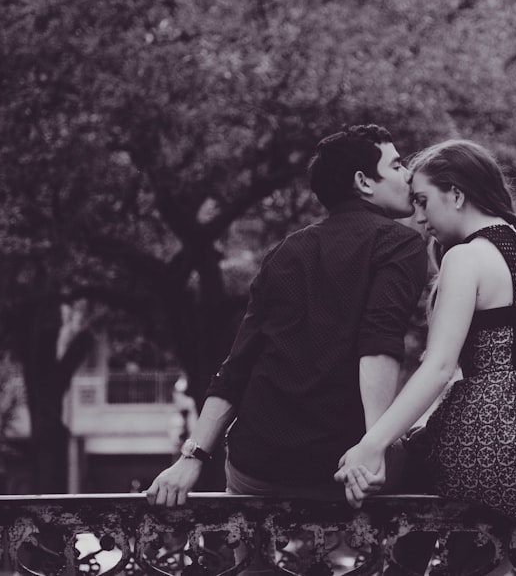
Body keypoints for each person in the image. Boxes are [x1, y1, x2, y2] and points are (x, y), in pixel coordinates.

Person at [335, 139, 516, 524]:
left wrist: (373, 444)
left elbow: (439, 368)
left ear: (455, 194)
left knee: (402, 470)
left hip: (494, 443)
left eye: (422, 201)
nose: (418, 217)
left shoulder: (466, 258)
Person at [147, 124, 428, 506]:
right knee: (435, 470)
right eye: (397, 166)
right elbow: (379, 342)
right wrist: (373, 446)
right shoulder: (400, 242)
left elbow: (239, 364)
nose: (409, 175)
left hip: (256, 465)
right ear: (364, 181)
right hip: (341, 466)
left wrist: (192, 457)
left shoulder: (287, 249)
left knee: (246, 557)